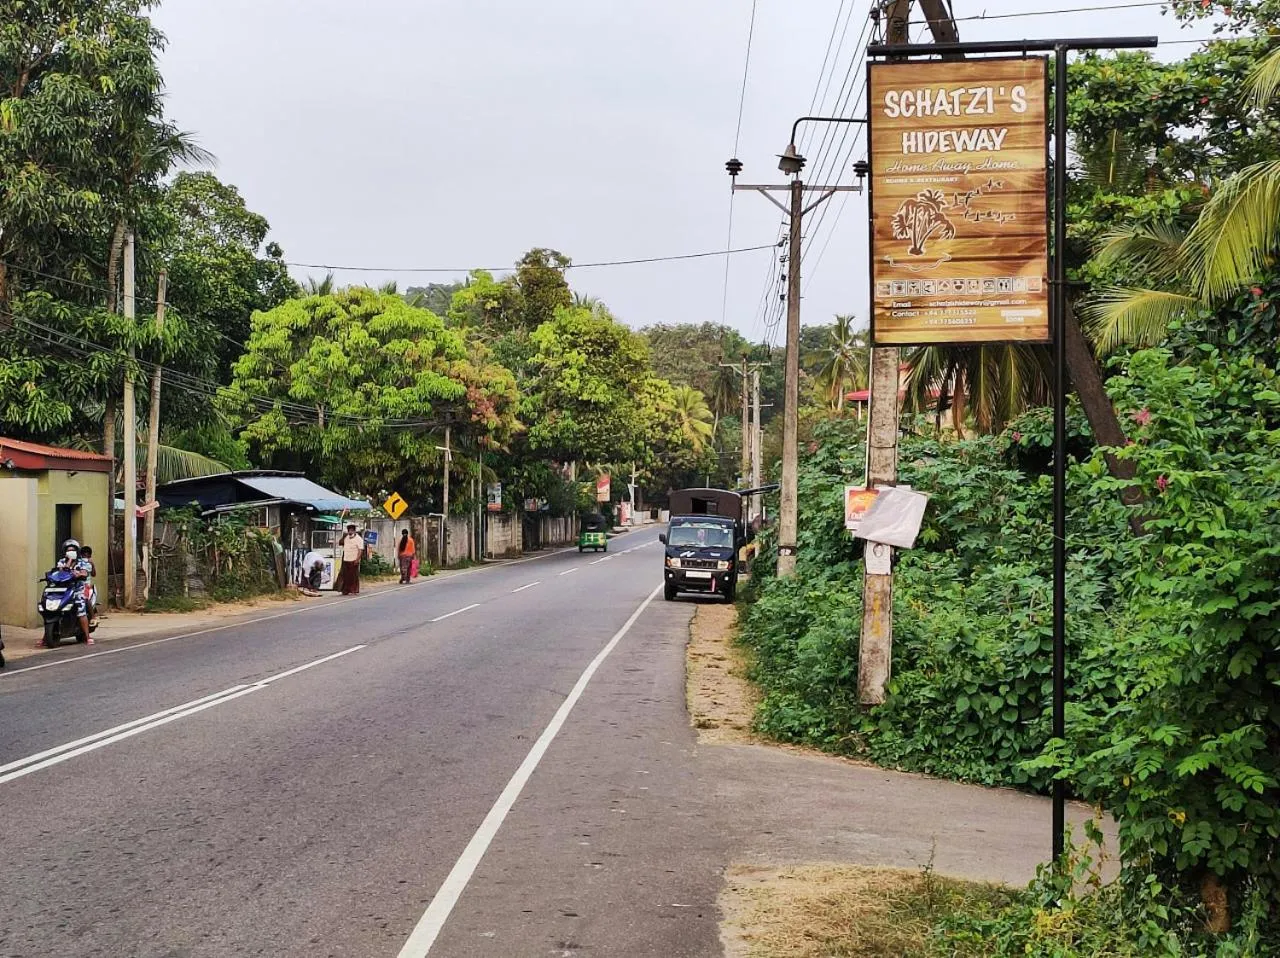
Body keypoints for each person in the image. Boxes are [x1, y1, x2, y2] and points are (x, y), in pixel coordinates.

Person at [39, 540, 93, 647]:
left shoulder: (83, 563)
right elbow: (59, 572)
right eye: (69, 550)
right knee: (48, 609)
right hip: (62, 589)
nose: (71, 552)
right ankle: (45, 637)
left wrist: (79, 574)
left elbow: (85, 573)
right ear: (65, 552)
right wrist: (68, 562)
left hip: (78, 589)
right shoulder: (62, 562)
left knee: (81, 609)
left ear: (77, 551)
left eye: (73, 550)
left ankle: (87, 637)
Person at [336, 524, 366, 595]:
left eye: (352, 530)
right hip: (346, 559)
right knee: (345, 576)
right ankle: (345, 590)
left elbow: (360, 550)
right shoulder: (346, 537)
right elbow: (340, 543)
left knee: (353, 576)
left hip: (353, 560)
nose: (350, 532)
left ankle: (353, 590)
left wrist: (357, 559)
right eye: (349, 530)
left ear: (354, 531)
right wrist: (344, 536)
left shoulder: (359, 539)